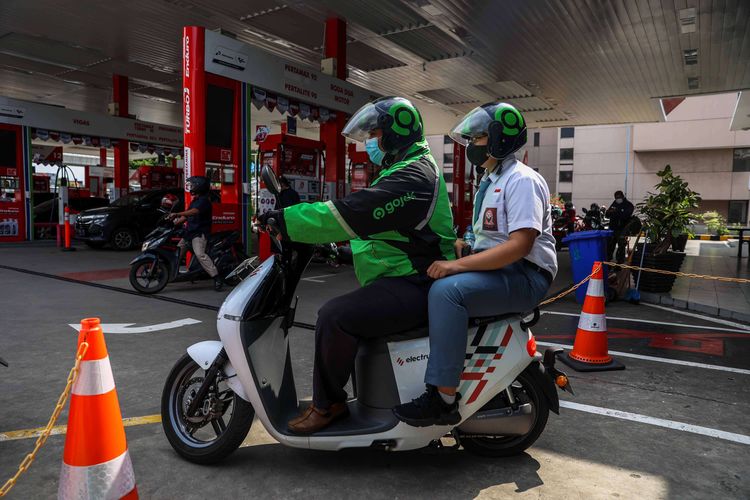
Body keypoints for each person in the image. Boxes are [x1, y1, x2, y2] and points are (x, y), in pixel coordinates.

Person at [259, 96, 455, 434]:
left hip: (418, 282)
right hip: (404, 276)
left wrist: (286, 220)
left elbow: (355, 212)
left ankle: (328, 405)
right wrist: (342, 252)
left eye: (377, 132)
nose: (372, 141)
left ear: (397, 132)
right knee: (349, 313)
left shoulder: (414, 176)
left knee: (334, 317)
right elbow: (392, 236)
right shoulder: (404, 168)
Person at [392, 102, 557, 426]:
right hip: (505, 270)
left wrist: (456, 267)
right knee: (428, 282)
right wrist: (459, 248)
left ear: (500, 140)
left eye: (479, 138)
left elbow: (520, 245)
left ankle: (442, 399)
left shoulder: (522, 180)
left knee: (446, 293)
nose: (472, 146)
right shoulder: (491, 180)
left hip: (525, 275)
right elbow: (490, 239)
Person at [168, 176, 223, 291]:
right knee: (178, 252)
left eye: (193, 185)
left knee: (200, 254)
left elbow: (194, 212)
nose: (191, 187)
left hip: (199, 234)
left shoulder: (204, 201)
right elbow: (186, 216)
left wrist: (177, 214)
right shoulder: (195, 201)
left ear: (199, 186)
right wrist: (175, 222)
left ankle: (216, 277)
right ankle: (171, 274)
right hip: (189, 233)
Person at [606, 190, 634, 263]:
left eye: (619, 197)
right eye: (616, 197)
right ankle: (608, 262)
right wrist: (609, 212)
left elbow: (625, 216)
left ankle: (619, 264)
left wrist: (616, 211)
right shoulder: (614, 203)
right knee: (610, 246)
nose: (617, 199)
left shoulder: (628, 205)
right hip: (612, 228)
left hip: (622, 229)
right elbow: (607, 214)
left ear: (622, 196)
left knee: (621, 247)